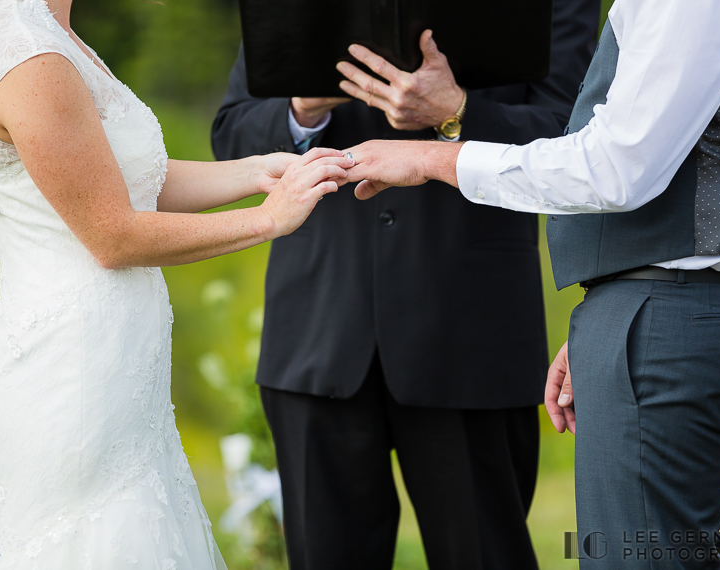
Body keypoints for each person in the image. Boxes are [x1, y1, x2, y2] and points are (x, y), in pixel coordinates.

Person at [341, 0, 720, 568]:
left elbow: (616, 169)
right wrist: (615, 317)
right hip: (665, 306)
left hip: (673, 312)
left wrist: (437, 161)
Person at [0, 0, 353, 567]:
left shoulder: (49, 30)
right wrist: (268, 219)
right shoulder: (29, 54)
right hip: (72, 378)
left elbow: (127, 180)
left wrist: (258, 171)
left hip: (116, 376)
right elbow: (112, 234)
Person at [211, 0, 599, 567]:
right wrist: (303, 107)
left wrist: (457, 113)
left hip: (469, 334)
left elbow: (576, 137)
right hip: (317, 331)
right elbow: (231, 135)